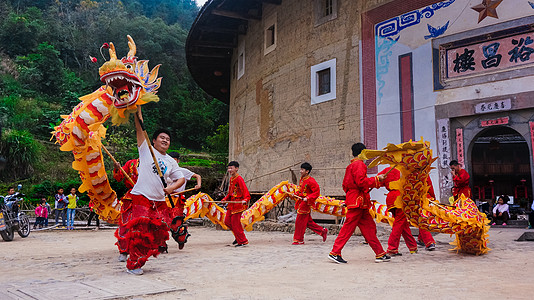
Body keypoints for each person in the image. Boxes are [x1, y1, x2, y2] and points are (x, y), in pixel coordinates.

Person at [121, 106, 185, 275]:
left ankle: (141, 257)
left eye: (168, 139)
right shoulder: (146, 150)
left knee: (160, 232)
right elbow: (139, 126)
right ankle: (133, 264)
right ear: (154, 140)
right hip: (141, 196)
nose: (165, 141)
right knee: (140, 232)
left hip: (160, 201)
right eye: (162, 138)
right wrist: (137, 108)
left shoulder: (171, 161)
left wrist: (171, 188)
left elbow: (181, 179)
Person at [328, 143, 390, 264]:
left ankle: (380, 253)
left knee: (369, 228)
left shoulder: (351, 166)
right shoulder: (359, 164)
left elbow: (346, 185)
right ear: (362, 152)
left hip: (358, 202)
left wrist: (349, 199)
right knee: (348, 228)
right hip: (358, 202)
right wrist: (377, 179)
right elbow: (361, 182)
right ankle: (335, 252)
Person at [378, 166, 417, 256]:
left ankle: (412, 247)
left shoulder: (387, 169)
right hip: (400, 198)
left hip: (391, 197)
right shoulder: (405, 169)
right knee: (399, 223)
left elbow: (378, 180)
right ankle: (392, 248)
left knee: (403, 223)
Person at [292, 162, 328, 245]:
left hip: (306, 204)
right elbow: (301, 190)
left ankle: (299, 239)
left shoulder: (311, 181)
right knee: (308, 222)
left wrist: (308, 198)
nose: (300, 171)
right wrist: (297, 194)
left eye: (302, 169)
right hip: (301, 201)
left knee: (299, 221)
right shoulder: (302, 179)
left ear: (307, 171)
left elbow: (316, 192)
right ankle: (322, 231)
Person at [113, 158, 139, 259]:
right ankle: (123, 251)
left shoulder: (155, 162)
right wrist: (116, 169)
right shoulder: (131, 163)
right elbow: (119, 177)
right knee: (126, 223)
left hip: (148, 196)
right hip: (131, 197)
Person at [222, 161, 250, 247]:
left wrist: (245, 199)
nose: (229, 170)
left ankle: (243, 241)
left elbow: (245, 191)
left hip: (238, 205)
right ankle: (238, 237)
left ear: (236, 169)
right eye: (229, 168)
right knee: (227, 222)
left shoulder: (239, 179)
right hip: (231, 204)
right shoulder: (231, 179)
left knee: (235, 224)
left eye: (231, 168)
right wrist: (225, 199)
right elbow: (230, 193)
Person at [417, 176, 436, 251]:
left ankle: (429, 242)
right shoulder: (425, 173)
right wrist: (433, 197)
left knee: (421, 220)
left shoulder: (410, 173)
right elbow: (430, 187)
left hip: (417, 199)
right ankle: (421, 239)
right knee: (422, 219)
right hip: (426, 199)